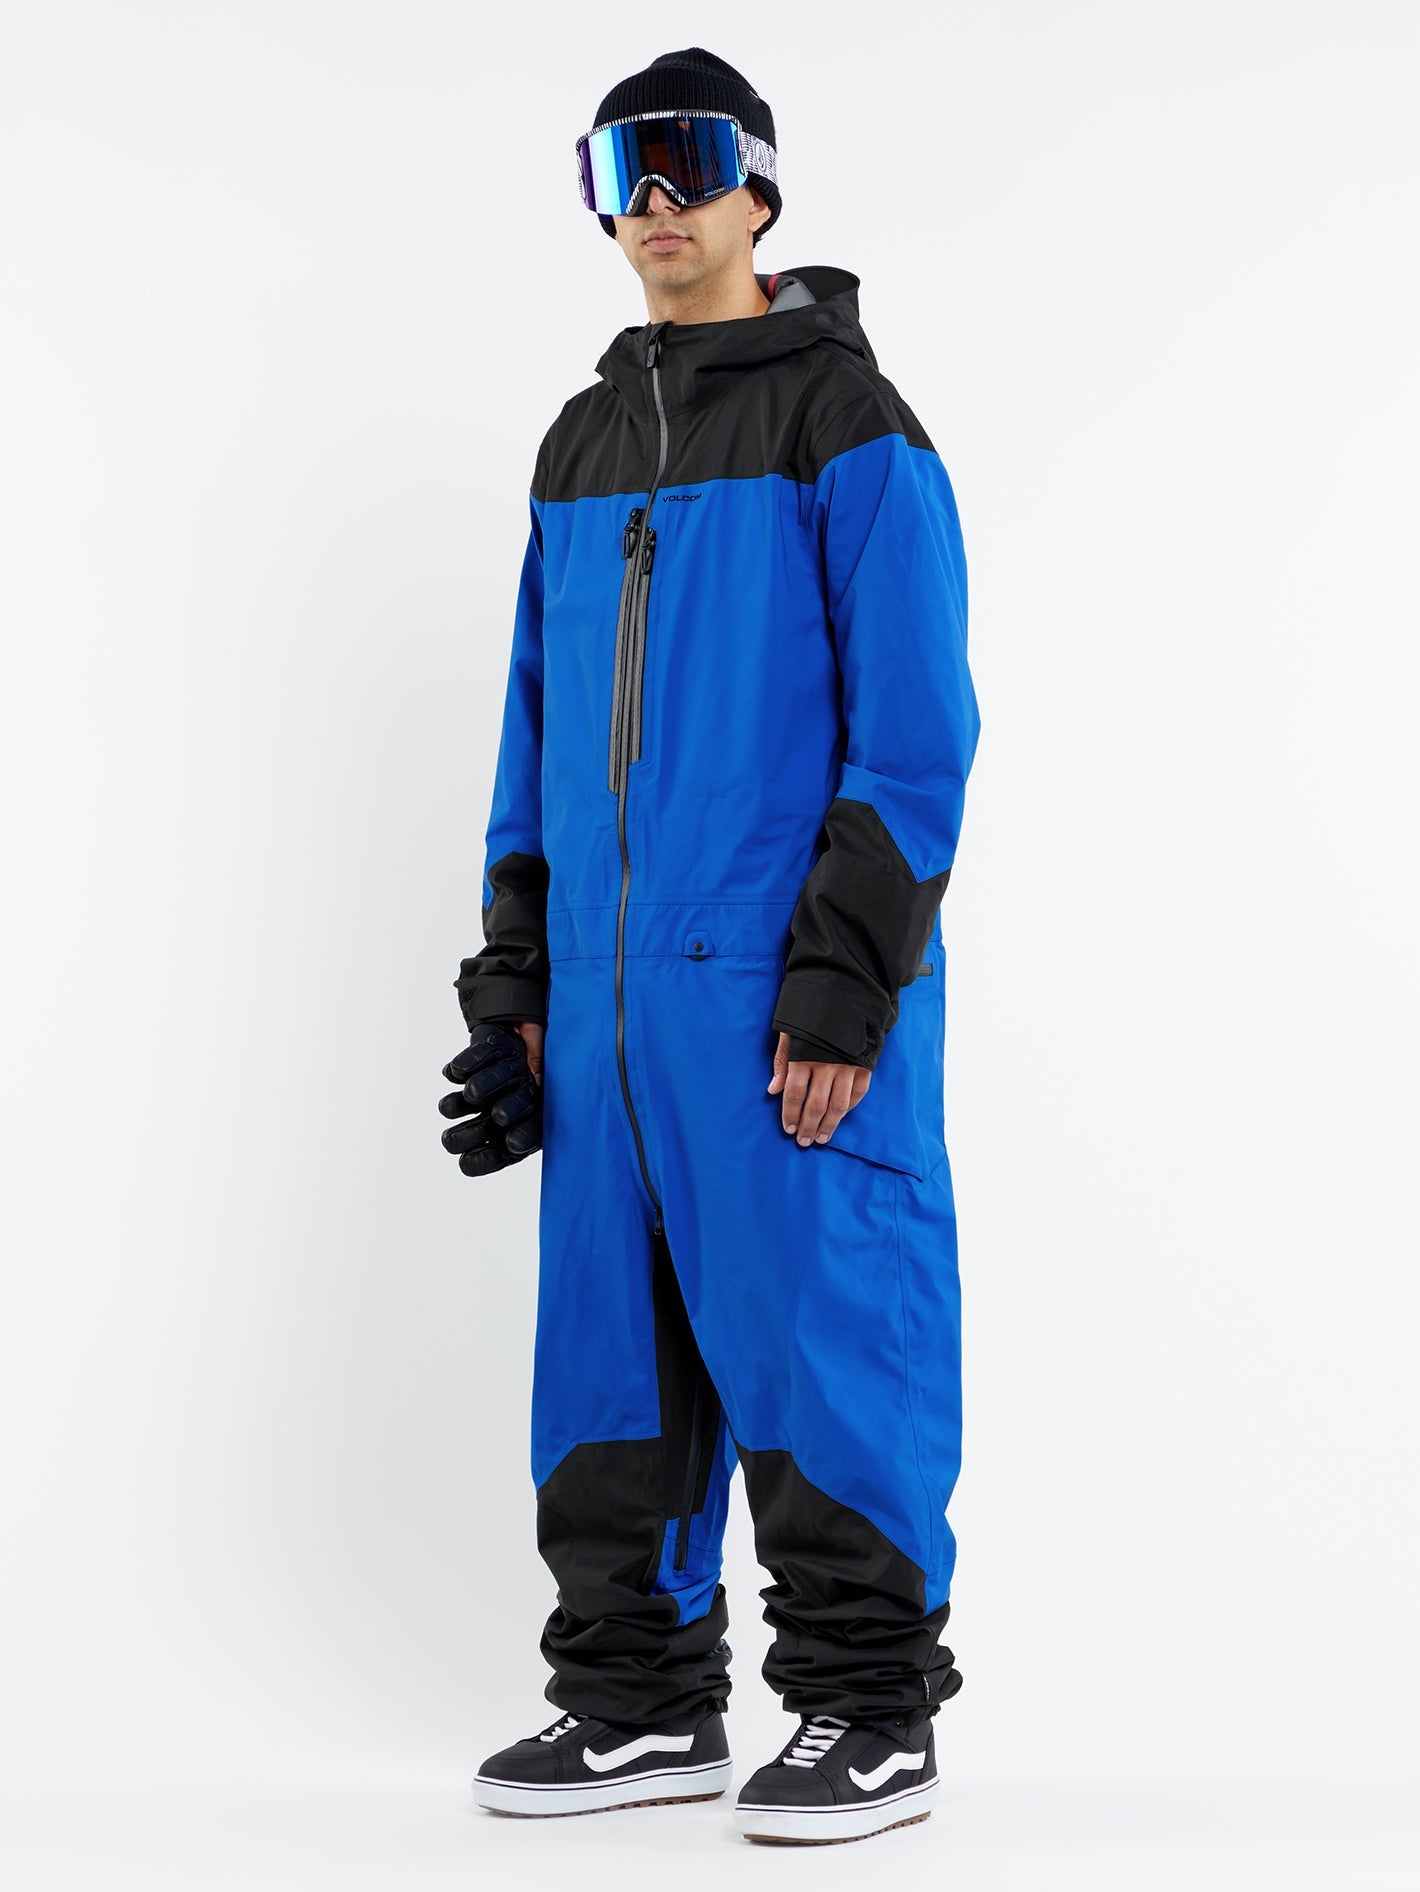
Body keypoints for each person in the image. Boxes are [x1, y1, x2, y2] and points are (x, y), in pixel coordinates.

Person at [439, 46, 981, 1845]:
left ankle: (869, 1713)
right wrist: (518, 984)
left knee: (826, 1344)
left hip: (777, 997)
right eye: (623, 169)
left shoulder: (851, 421)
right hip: (605, 1016)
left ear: (760, 186)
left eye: (687, 160)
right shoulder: (578, 444)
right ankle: (638, 1706)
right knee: (611, 1362)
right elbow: (532, 737)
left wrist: (844, 978)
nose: (656, 202)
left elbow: (916, 739)